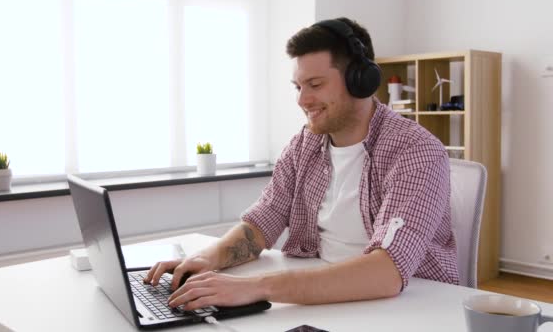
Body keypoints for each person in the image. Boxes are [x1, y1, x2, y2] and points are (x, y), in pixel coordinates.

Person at [145, 17, 459, 310]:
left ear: (360, 81)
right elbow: (263, 220)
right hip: (329, 293)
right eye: (299, 86)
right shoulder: (304, 145)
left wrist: (258, 287)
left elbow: (388, 271)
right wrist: (207, 259)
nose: (302, 100)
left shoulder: (416, 151)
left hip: (412, 304)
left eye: (315, 84)